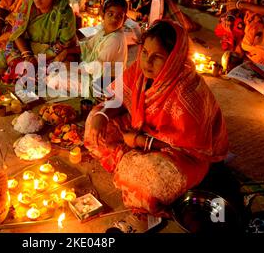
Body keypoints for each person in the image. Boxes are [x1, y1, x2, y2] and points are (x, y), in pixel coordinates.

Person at [84, 20, 229, 216]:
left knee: (149, 184)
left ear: (173, 58)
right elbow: (120, 98)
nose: (147, 62)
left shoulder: (189, 94)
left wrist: (138, 141)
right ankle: (128, 157)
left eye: (157, 57)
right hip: (141, 127)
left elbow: (191, 149)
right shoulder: (140, 70)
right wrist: (102, 115)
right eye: (144, 52)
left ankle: (128, 157)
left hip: (183, 155)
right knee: (95, 120)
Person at [2, 0, 77, 83]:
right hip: (29, 46)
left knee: (62, 67)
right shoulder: (28, 2)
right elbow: (17, 32)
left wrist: (38, 59)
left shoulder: (63, 11)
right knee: (12, 54)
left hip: (53, 51)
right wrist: (28, 56)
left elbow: (64, 43)